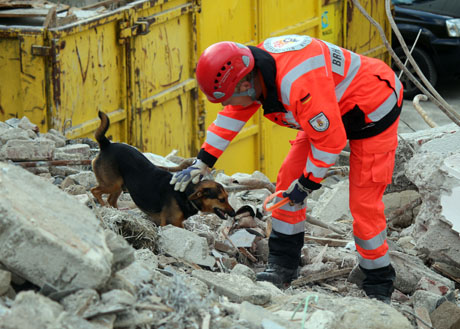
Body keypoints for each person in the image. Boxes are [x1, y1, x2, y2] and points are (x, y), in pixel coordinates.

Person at [170, 35, 403, 303]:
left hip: (372, 112)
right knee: (286, 183)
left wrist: (306, 185)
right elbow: (233, 113)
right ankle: (283, 263)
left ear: (246, 84)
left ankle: (378, 278)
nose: (224, 103)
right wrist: (202, 162)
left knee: (363, 203)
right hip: (328, 109)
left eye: (227, 97)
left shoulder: (298, 85)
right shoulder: (254, 70)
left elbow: (330, 141)